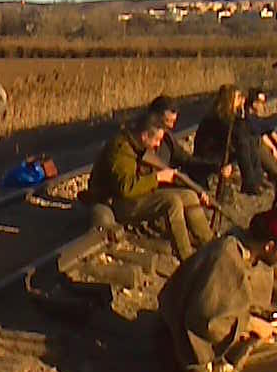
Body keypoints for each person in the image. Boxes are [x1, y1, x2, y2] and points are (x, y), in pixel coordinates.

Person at [158, 207, 277, 372]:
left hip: (212, 340)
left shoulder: (244, 250)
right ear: (270, 246)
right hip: (190, 352)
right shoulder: (228, 257)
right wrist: (253, 326)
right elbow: (208, 322)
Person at [87, 110, 214, 261]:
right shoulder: (121, 151)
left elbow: (157, 177)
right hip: (116, 202)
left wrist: (197, 191)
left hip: (133, 195)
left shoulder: (137, 147)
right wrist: (158, 177)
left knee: (189, 196)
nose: (158, 144)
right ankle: (187, 258)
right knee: (172, 202)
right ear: (144, 136)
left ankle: (210, 244)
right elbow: (126, 189)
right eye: (157, 140)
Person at [195, 85, 269, 197]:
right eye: (238, 97)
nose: (241, 100)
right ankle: (250, 182)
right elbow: (238, 133)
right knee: (243, 143)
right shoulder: (217, 118)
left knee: (250, 141)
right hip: (209, 157)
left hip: (220, 151)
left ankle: (256, 179)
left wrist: (242, 114)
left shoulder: (229, 116)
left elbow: (247, 130)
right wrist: (243, 115)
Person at [147, 94, 231, 187]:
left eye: (173, 121)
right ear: (154, 117)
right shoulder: (140, 143)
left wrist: (215, 167)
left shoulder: (168, 139)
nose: (171, 126)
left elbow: (187, 161)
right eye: (167, 121)